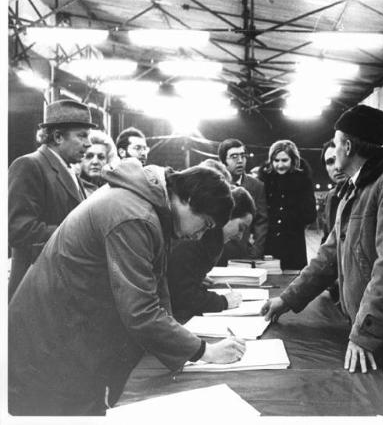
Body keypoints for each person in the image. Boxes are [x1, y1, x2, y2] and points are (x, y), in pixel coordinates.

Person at [8, 161, 246, 416]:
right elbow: (140, 311)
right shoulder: (135, 215)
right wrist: (203, 351)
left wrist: (181, 345)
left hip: (65, 332)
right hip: (50, 344)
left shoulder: (150, 205)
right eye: (205, 224)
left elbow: (156, 286)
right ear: (188, 199)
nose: (199, 236)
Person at [261, 105, 383, 373]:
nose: (334, 151)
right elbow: (327, 259)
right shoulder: (355, 191)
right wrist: (287, 299)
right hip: (377, 332)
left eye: (337, 143)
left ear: (348, 147)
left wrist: (365, 335)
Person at [8, 99, 96, 299]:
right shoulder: (29, 165)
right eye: (82, 135)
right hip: (34, 293)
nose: (88, 143)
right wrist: (81, 235)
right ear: (57, 137)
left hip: (57, 290)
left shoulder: (70, 171)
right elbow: (18, 230)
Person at [168, 186, 256, 322]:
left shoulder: (213, 239)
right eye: (240, 228)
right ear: (228, 215)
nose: (240, 236)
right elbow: (183, 297)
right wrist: (223, 301)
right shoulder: (195, 237)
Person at [258, 139, 316, 270]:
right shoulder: (265, 181)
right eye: (276, 160)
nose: (280, 165)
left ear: (293, 160)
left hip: (294, 245)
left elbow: (310, 215)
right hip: (269, 243)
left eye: (284, 160)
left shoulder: (303, 182)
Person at [218, 138, 268, 260]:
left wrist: (255, 252)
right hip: (217, 253)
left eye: (243, 156)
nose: (240, 161)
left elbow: (261, 223)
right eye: (234, 156)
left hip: (243, 255)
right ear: (224, 160)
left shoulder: (256, 186)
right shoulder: (215, 184)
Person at [319, 139, 349, 303]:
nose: (336, 167)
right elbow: (327, 241)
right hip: (336, 287)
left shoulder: (370, 193)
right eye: (330, 162)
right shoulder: (331, 197)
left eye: (338, 158)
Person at [78, 129, 119, 196]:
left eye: (101, 157)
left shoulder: (113, 190)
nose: (95, 162)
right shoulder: (75, 189)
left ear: (108, 161)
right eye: (89, 156)